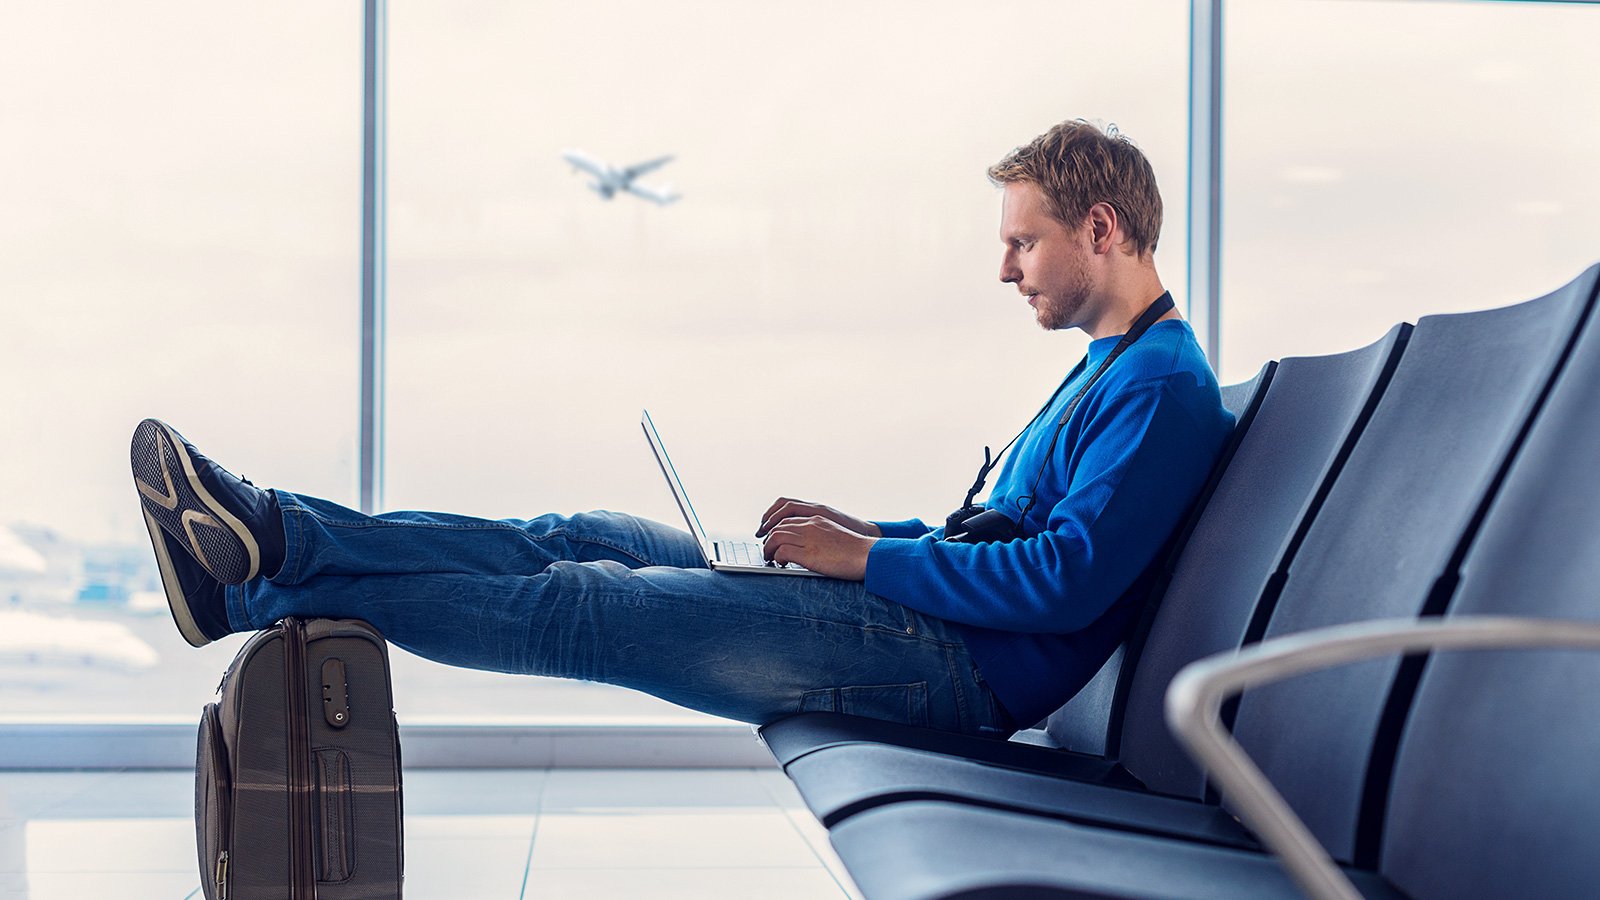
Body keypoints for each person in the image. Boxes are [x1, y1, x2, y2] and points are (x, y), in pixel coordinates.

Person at [132, 119, 1233, 738]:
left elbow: (1062, 584)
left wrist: (869, 560)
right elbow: (1003, 533)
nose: (1004, 268)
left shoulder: (1161, 389)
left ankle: (249, 586)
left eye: (1023, 244)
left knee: (585, 605)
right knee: (572, 533)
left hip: (949, 672)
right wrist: (859, 533)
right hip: (919, 623)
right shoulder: (1112, 367)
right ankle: (274, 529)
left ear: (1100, 228)